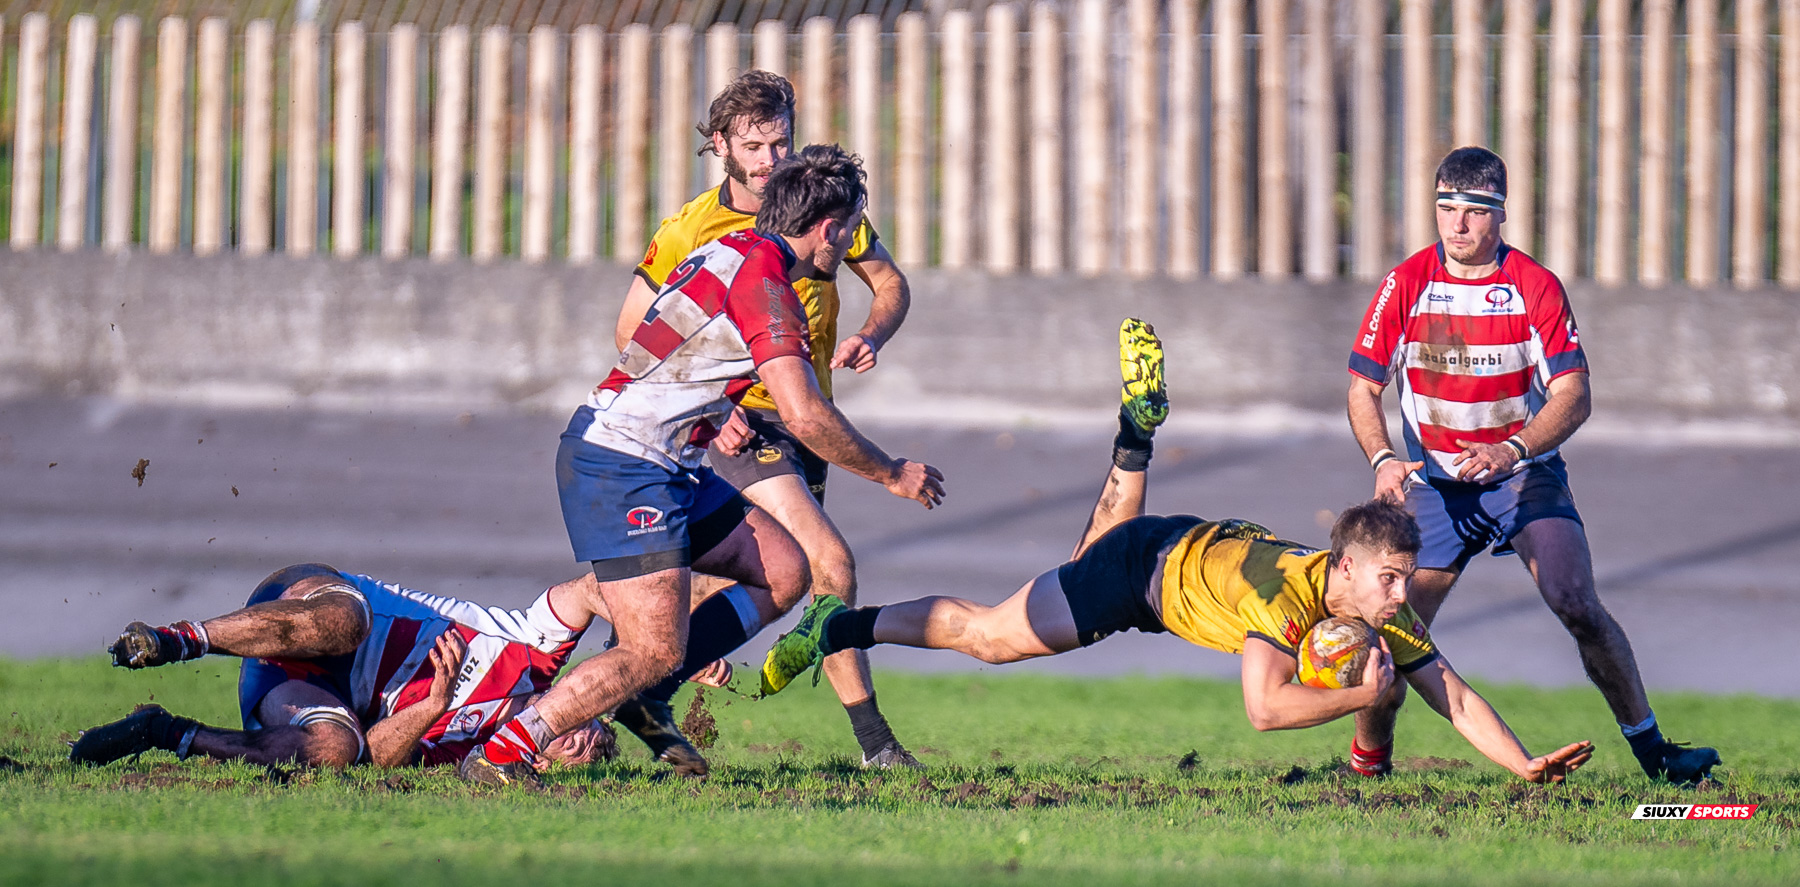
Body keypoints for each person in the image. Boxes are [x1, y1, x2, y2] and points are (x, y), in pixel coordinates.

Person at [759, 321, 1595, 785]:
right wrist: (1355, 700)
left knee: (1086, 554)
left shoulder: (1369, 596)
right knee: (989, 636)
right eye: (1388, 578)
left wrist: (1523, 762)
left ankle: (1135, 438)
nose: (1397, 594)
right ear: (1344, 569)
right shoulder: (1290, 602)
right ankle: (843, 627)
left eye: (1401, 581)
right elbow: (1265, 711)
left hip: (1180, 548)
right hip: (1143, 576)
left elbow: (1449, 688)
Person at [459, 145, 944, 788]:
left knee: (784, 568)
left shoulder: (733, 251)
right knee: (652, 649)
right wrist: (890, 472)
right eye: (853, 226)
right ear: (827, 228)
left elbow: (668, 347)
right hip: (624, 464)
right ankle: (505, 752)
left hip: (667, 460)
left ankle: (645, 694)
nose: (855, 240)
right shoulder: (768, 286)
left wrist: (715, 409)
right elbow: (804, 414)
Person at [1345, 145, 1718, 784]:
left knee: (1575, 600)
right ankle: (1368, 768)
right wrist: (1383, 459)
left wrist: (1513, 449)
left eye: (1472, 211)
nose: (1456, 225)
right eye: (1445, 208)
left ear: (1501, 214)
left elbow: (1575, 394)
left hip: (1521, 475)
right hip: (1435, 487)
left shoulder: (1533, 286)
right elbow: (1362, 387)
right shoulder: (1404, 284)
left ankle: (1658, 757)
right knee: (1392, 632)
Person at [611, 70, 920, 771]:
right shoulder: (692, 226)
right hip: (743, 423)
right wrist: (712, 409)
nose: (771, 157)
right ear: (721, 143)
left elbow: (893, 283)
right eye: (755, 144)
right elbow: (632, 331)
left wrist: (873, 332)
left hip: (809, 417)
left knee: (798, 576)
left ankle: (636, 684)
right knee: (826, 561)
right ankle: (876, 745)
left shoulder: (820, 206)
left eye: (780, 138)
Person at [69, 563, 612, 771]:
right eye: (592, 731)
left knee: (336, 750)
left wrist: (434, 703)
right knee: (348, 624)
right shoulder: (538, 650)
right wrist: (677, 641)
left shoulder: (469, 751)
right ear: (579, 695)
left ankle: (163, 731)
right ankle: (177, 640)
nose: (581, 739)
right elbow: (594, 589)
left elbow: (375, 757)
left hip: (298, 682)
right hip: (312, 604)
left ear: (535, 763)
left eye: (579, 755)